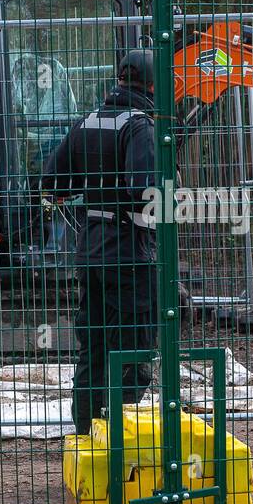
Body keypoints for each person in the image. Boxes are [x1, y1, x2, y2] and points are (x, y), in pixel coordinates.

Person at [40, 49, 158, 434]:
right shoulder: (139, 127)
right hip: (128, 255)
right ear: (153, 85)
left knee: (91, 350)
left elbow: (51, 184)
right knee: (134, 351)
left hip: (89, 251)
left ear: (119, 79)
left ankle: (87, 436)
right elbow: (146, 192)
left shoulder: (86, 122)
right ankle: (120, 440)